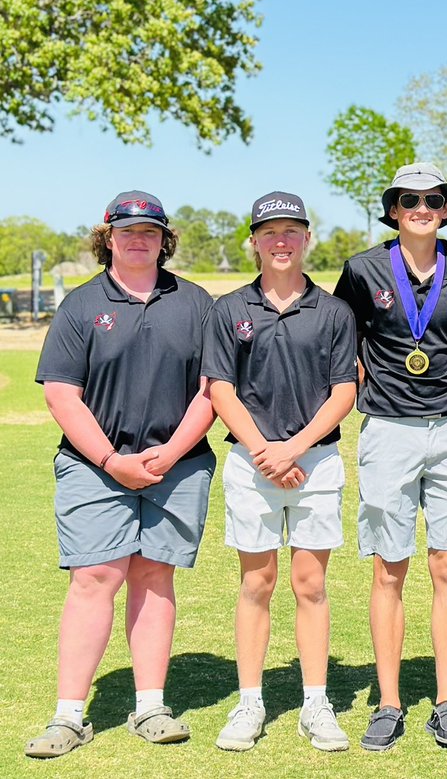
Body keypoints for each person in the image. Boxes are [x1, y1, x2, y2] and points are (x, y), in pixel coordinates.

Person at [26, 191, 216, 758]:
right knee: (94, 577)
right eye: (127, 231)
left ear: (164, 240)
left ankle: (150, 707)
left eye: (150, 232)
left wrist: (170, 453)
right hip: (94, 466)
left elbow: (213, 389)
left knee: (155, 577)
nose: (139, 240)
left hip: (177, 466)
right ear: (107, 238)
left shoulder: (196, 302)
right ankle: (68, 716)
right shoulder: (81, 304)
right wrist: (112, 461)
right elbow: (62, 394)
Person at [333, 163, 447, 751]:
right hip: (388, 431)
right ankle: (389, 703)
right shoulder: (363, 269)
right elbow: (344, 343)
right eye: (409, 200)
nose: (421, 208)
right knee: (388, 568)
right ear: (393, 209)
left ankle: (446, 703)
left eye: (433, 199)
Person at [204, 192, 357, 752]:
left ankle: (316, 702)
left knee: (311, 584)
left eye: (292, 230)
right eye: (270, 232)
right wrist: (265, 451)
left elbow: (344, 391)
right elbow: (220, 388)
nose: (281, 241)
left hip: (315, 460)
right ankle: (250, 701)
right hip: (251, 463)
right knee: (257, 583)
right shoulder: (229, 309)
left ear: (307, 237)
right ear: (254, 241)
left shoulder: (334, 311)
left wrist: (292, 448)